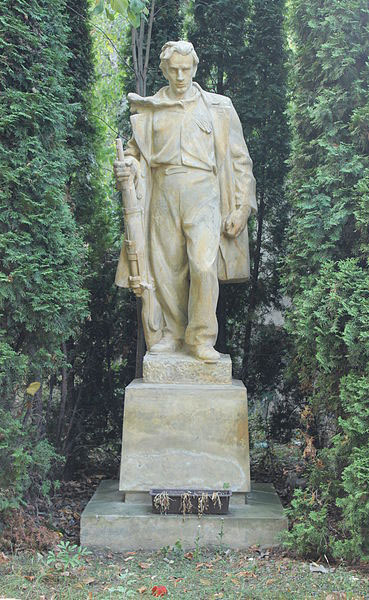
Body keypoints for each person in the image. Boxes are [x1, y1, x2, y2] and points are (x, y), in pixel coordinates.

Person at [114, 41, 256, 363]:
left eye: (185, 69)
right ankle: (172, 335)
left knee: (203, 265)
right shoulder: (152, 108)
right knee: (166, 268)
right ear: (164, 71)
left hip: (204, 191)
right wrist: (129, 167)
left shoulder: (218, 108)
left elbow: (239, 160)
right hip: (163, 190)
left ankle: (202, 337)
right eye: (174, 70)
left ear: (194, 68)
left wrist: (242, 207)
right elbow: (137, 155)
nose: (180, 76)